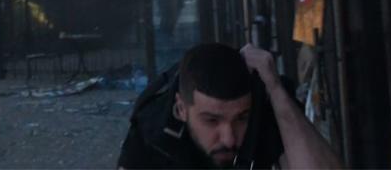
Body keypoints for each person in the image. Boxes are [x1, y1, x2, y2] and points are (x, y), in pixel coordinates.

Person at [117, 43, 342, 169]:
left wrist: (275, 89)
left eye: (240, 118)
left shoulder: (262, 108)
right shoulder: (152, 137)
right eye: (211, 120)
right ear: (181, 109)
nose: (229, 138)